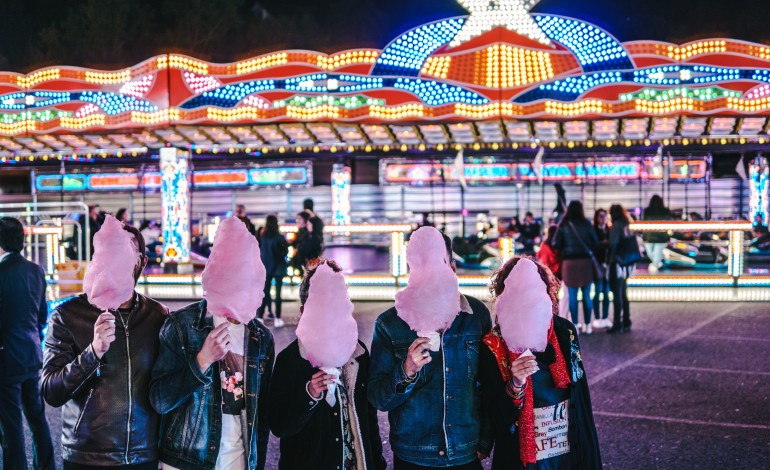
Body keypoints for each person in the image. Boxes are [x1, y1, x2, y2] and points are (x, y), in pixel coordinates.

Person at [42, 215, 167, 469]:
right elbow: (51, 391)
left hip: (144, 453)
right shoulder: (68, 316)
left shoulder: (157, 316)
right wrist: (93, 352)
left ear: (141, 262)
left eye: (128, 253)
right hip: (87, 454)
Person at [151, 217, 273, 470]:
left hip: (238, 460)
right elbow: (159, 400)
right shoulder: (181, 325)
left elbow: (262, 416)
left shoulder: (260, 337)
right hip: (186, 460)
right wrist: (202, 360)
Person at [368, 227, 493, 469]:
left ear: (452, 266)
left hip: (465, 451)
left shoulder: (475, 316)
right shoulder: (389, 324)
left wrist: (484, 442)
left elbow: (488, 385)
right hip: (413, 453)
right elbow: (378, 398)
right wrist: (406, 370)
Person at [479, 256, 601, 469]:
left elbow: (579, 397)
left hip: (566, 448)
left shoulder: (565, 331)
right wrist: (515, 383)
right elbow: (495, 416)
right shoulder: (493, 345)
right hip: (521, 453)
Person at [269, 259, 386, 470]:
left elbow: (369, 419)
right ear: (304, 310)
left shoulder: (357, 354)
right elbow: (279, 426)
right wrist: (309, 395)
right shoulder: (290, 360)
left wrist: (377, 463)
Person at [0, 217, 55, 470]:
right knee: (37, 418)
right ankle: (46, 466)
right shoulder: (36, 271)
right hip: (32, 354)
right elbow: (42, 314)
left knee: (11, 424)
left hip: (5, 359)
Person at [552, 201, 598, 334]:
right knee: (586, 295)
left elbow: (555, 243)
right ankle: (588, 325)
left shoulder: (564, 224)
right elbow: (595, 242)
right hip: (585, 262)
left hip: (569, 264)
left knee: (572, 296)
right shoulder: (587, 223)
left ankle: (575, 326)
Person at [607, 205, 635, 334]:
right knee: (624, 292)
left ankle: (617, 323)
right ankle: (627, 320)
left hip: (617, 263)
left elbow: (613, 243)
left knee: (616, 293)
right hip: (627, 262)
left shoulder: (616, 225)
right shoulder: (627, 224)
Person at [257, 215, 289, 327]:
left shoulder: (262, 237)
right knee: (278, 294)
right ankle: (278, 318)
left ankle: (260, 317)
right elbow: (285, 251)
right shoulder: (279, 237)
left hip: (266, 268)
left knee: (264, 293)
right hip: (278, 268)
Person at [592, 209, 611, 329]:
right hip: (598, 265)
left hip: (607, 264)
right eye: (601, 216)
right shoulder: (593, 231)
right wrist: (604, 243)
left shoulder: (609, 230)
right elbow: (594, 246)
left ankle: (605, 317)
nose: (603, 218)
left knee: (606, 293)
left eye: (605, 216)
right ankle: (597, 318)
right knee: (598, 291)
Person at [642, 195, 672, 274]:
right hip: (653, 236)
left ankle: (654, 268)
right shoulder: (649, 211)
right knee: (652, 254)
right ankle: (656, 265)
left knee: (655, 253)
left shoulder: (663, 211)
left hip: (657, 237)